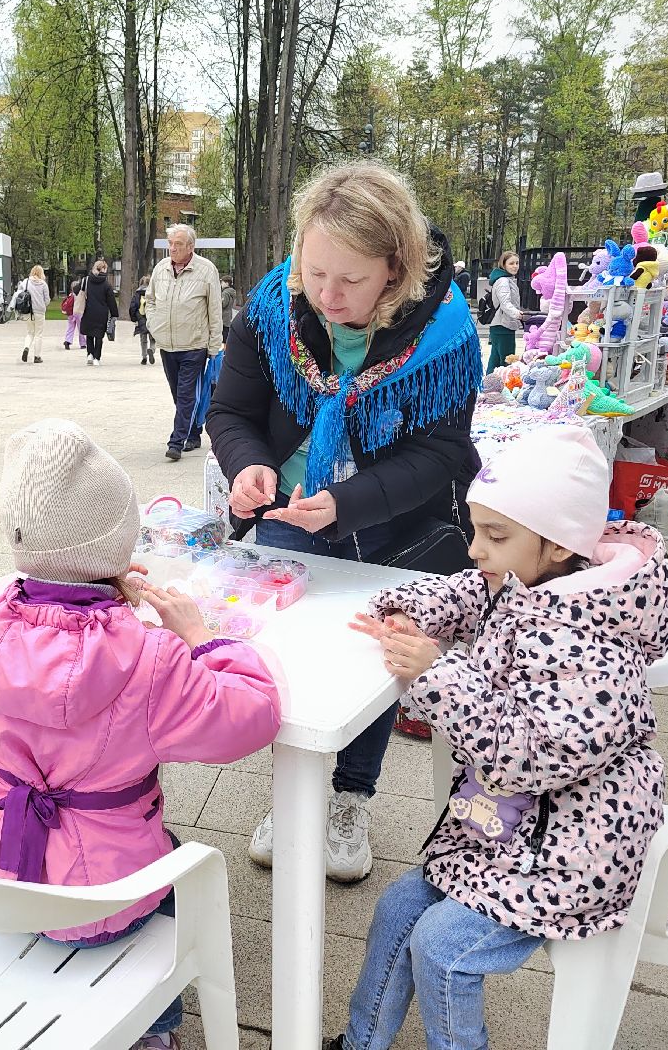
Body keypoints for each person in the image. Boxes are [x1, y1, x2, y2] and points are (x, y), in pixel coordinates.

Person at [328, 426, 668, 1050]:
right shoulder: (526, 583)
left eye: (495, 536)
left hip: (574, 850)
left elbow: (527, 756)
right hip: (508, 828)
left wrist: (435, 674)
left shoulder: (592, 641)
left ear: (559, 545)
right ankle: (361, 1043)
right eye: (476, 530)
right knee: (398, 909)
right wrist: (405, 612)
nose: (474, 552)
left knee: (443, 949)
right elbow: (459, 593)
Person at [0, 418, 283, 1050]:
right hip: (102, 895)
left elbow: (48, 649)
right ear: (120, 549)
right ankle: (151, 1027)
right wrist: (201, 637)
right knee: (184, 885)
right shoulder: (149, 656)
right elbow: (253, 713)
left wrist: (101, 594)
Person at [206, 160, 482, 882]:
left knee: (369, 661)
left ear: (396, 268)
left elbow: (445, 452)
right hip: (292, 515)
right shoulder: (273, 307)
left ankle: (349, 800)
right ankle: (296, 791)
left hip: (395, 525)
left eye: (350, 281)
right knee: (292, 658)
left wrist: (352, 503)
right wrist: (247, 467)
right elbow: (232, 411)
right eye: (313, 271)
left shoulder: (448, 331)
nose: (326, 297)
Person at [148, 224, 223, 460]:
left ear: (191, 246)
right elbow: (149, 300)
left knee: (186, 393)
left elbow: (214, 309)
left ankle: (176, 442)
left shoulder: (206, 270)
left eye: (178, 244)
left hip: (194, 345)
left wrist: (214, 345)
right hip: (167, 344)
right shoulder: (160, 269)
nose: (173, 248)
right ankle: (192, 432)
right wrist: (153, 323)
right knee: (177, 393)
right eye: (170, 243)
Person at [485, 251, 523, 374]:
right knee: (508, 361)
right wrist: (518, 314)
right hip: (504, 325)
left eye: (517, 263)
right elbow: (505, 303)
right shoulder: (503, 281)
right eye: (511, 263)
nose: (515, 266)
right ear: (504, 264)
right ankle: (505, 387)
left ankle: (489, 385)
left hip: (500, 325)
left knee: (495, 360)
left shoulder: (505, 279)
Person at [78, 258, 118, 367]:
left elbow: (77, 289)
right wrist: (114, 314)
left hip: (89, 311)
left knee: (89, 334)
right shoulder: (106, 285)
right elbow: (111, 301)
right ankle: (97, 357)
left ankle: (89, 354)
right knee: (99, 336)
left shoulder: (86, 280)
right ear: (104, 270)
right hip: (101, 313)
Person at [17, 264, 51, 364]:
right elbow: (47, 299)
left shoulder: (26, 282)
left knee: (30, 332)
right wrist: (43, 305)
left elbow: (19, 294)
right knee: (38, 334)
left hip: (28, 311)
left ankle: (26, 347)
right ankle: (37, 356)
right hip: (40, 312)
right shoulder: (43, 284)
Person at [131, 274, 154, 365]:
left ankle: (144, 356)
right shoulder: (152, 293)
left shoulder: (137, 294)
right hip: (151, 318)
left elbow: (132, 307)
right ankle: (151, 349)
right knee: (153, 338)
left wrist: (134, 318)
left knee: (143, 339)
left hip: (141, 319)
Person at [64, 270, 85, 350]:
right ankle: (83, 343)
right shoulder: (80, 294)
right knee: (81, 328)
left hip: (70, 313)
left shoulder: (70, 295)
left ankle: (68, 340)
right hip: (79, 313)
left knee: (70, 327)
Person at [220, 274, 239, 341]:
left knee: (224, 337)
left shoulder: (225, 293)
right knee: (227, 335)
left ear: (227, 283)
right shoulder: (231, 291)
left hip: (223, 318)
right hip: (228, 316)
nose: (221, 284)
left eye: (222, 282)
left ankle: (224, 350)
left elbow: (223, 304)